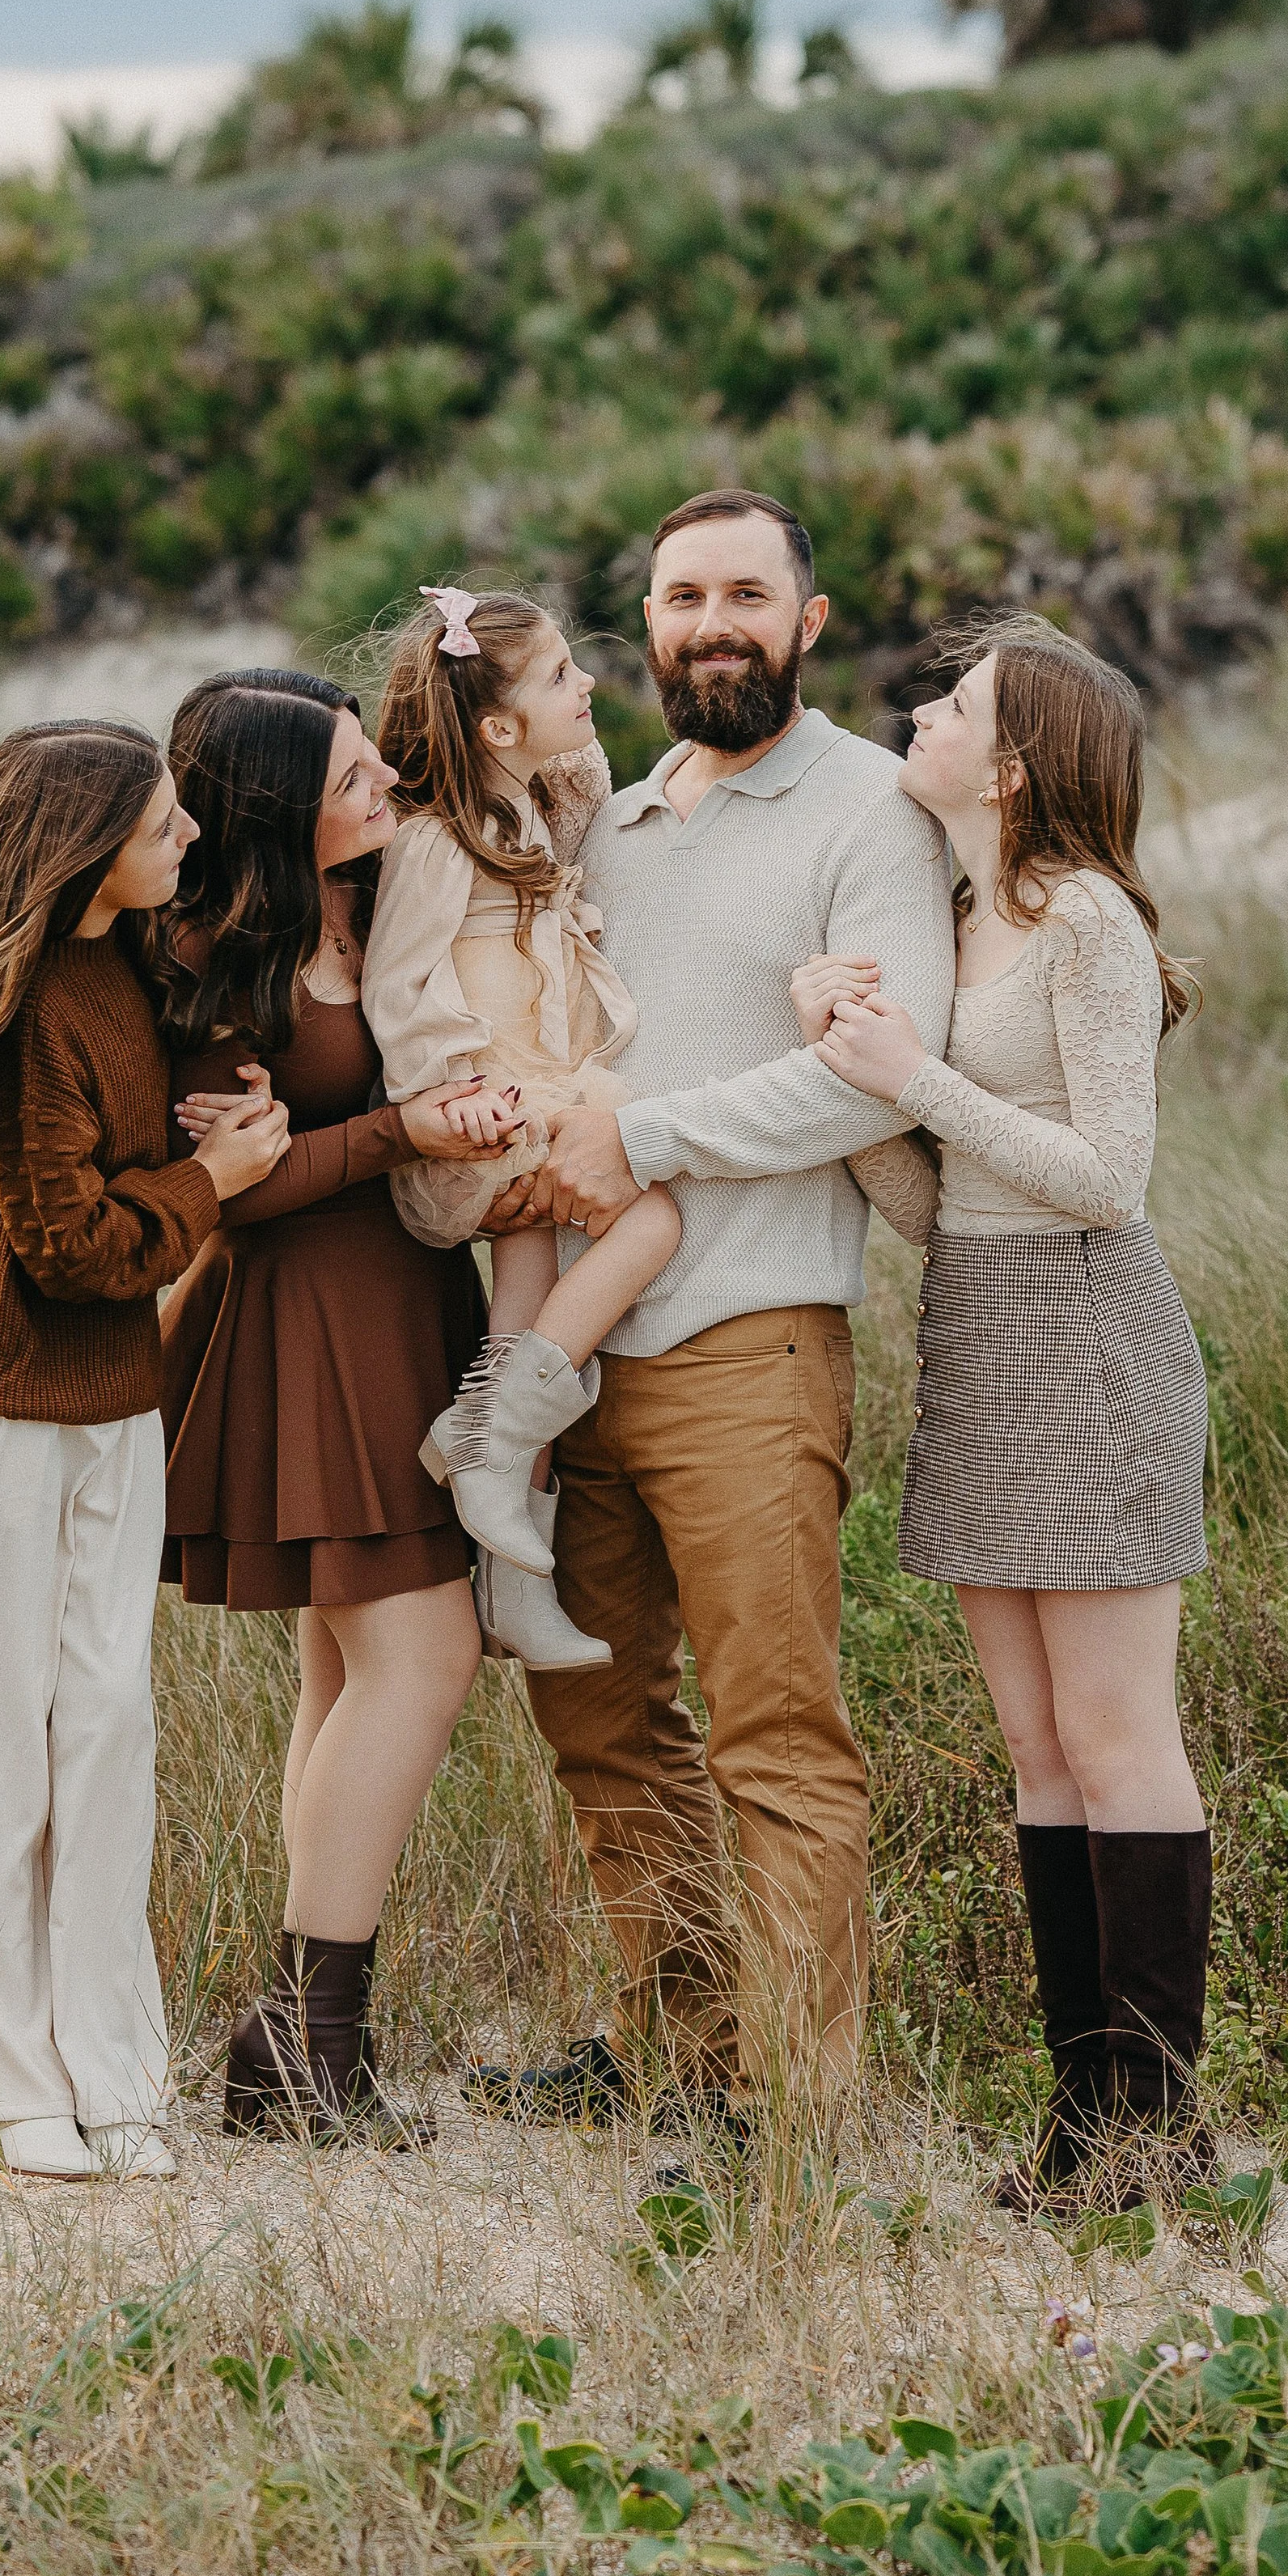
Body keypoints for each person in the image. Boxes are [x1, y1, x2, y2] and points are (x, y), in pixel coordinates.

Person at [469, 488, 956, 2129]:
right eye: (683, 598)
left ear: (809, 621)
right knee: (598, 1717)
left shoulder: (874, 814)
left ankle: (800, 2111)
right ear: (650, 627)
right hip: (568, 1349)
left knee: (774, 1734)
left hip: (750, 1332)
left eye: (747, 593)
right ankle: (685, 2063)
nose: (713, 624)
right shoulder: (610, 818)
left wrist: (646, 1138)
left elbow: (869, 1074)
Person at [810, 619, 1212, 2214]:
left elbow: (1106, 1177)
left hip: (1093, 1339)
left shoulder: (1087, 921)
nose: (920, 713)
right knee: (1037, 1746)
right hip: (974, 1334)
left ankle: (1161, 2134)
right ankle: (1078, 2119)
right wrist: (842, 1080)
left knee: (1116, 1738)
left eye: (954, 701)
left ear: (1020, 758)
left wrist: (907, 1075)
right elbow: (942, 1198)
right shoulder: (955, 918)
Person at [0, 720, 290, 2183]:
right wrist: (211, 1180)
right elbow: (67, 1250)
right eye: (164, 821)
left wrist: (231, 1120)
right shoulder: (9, 1016)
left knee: (108, 1721)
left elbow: (171, 1112)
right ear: (85, 844)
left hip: (114, 1398)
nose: (188, 839)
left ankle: (110, 2059)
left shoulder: (131, 962)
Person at [155, 670, 510, 2148]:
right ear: (272, 807)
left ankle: (293, 2043)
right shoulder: (209, 958)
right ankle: (312, 2043)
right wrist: (400, 1130)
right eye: (352, 773)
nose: (382, 786)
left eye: (377, 758)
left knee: (342, 1675)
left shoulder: (377, 898)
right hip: (307, 1322)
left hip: (404, 1306)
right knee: (422, 1660)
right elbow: (249, 1184)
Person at [361, 587, 682, 1671]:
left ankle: (510, 1575)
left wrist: (551, 728)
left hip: (538, 1085)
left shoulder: (528, 810)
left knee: (530, 1289)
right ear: (495, 729)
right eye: (559, 674)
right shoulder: (438, 841)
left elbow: (583, 782)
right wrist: (456, 1100)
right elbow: (400, 992)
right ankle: (491, 1444)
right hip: (479, 1113)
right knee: (654, 1207)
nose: (587, 681)